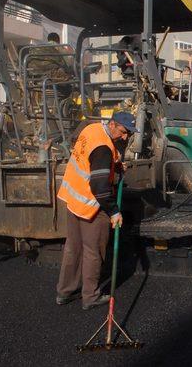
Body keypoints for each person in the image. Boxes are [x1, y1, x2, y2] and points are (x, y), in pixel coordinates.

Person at [55, 112, 138, 310]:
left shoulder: (91, 129)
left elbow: (90, 156)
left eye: (128, 134)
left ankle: (64, 291)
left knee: (72, 247)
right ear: (112, 124)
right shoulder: (103, 149)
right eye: (123, 132)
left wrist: (115, 163)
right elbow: (100, 187)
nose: (125, 137)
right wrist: (114, 211)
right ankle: (90, 296)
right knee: (93, 251)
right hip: (93, 205)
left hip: (73, 199)